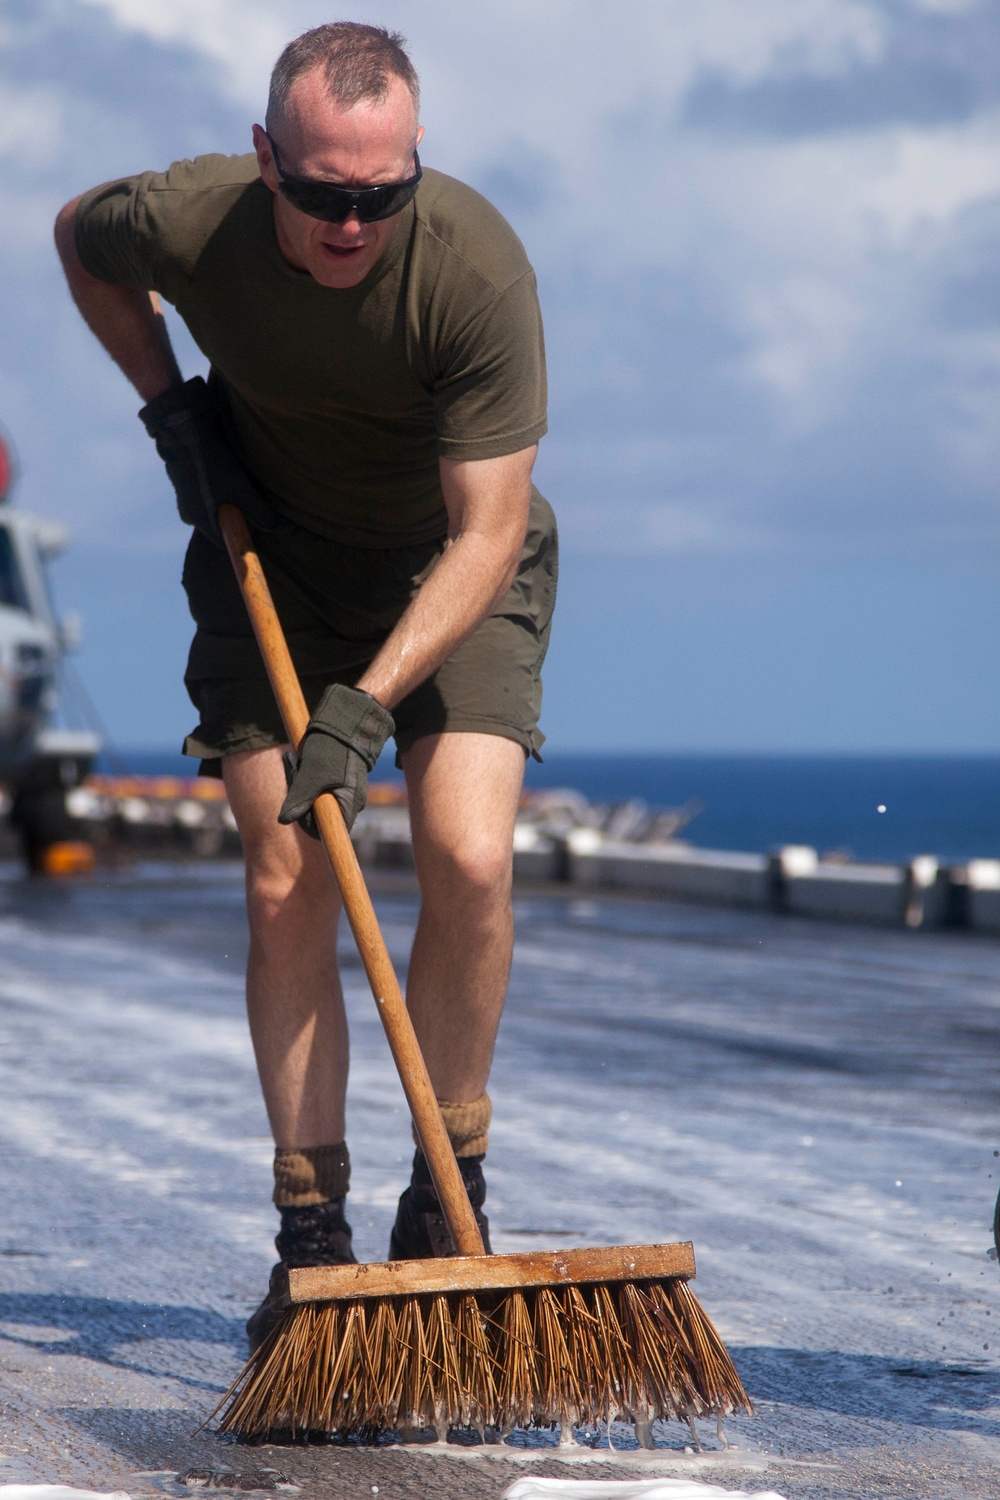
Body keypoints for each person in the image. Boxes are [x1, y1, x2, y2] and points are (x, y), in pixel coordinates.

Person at [54, 22, 556, 1346]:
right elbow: (76, 240)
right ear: (269, 158)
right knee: (286, 882)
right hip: (266, 552)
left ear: (415, 162)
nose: (350, 221)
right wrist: (174, 409)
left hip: (446, 570)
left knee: (470, 856)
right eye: (323, 191)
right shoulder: (192, 215)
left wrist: (367, 702)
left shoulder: (472, 268)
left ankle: (449, 1201)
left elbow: (488, 532)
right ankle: (312, 1238)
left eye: (379, 195)